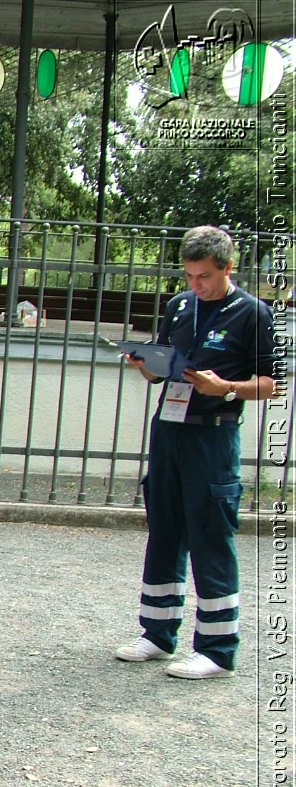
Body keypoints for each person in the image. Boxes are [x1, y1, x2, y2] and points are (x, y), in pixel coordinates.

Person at [116, 225, 278, 680]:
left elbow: (271, 383)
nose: (195, 285)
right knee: (164, 527)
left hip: (213, 432)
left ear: (228, 268)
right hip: (169, 428)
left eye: (204, 276)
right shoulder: (179, 306)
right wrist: (146, 367)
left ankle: (217, 648)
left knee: (210, 533)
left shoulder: (253, 313)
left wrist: (225, 388)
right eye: (189, 275)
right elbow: (164, 366)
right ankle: (157, 632)